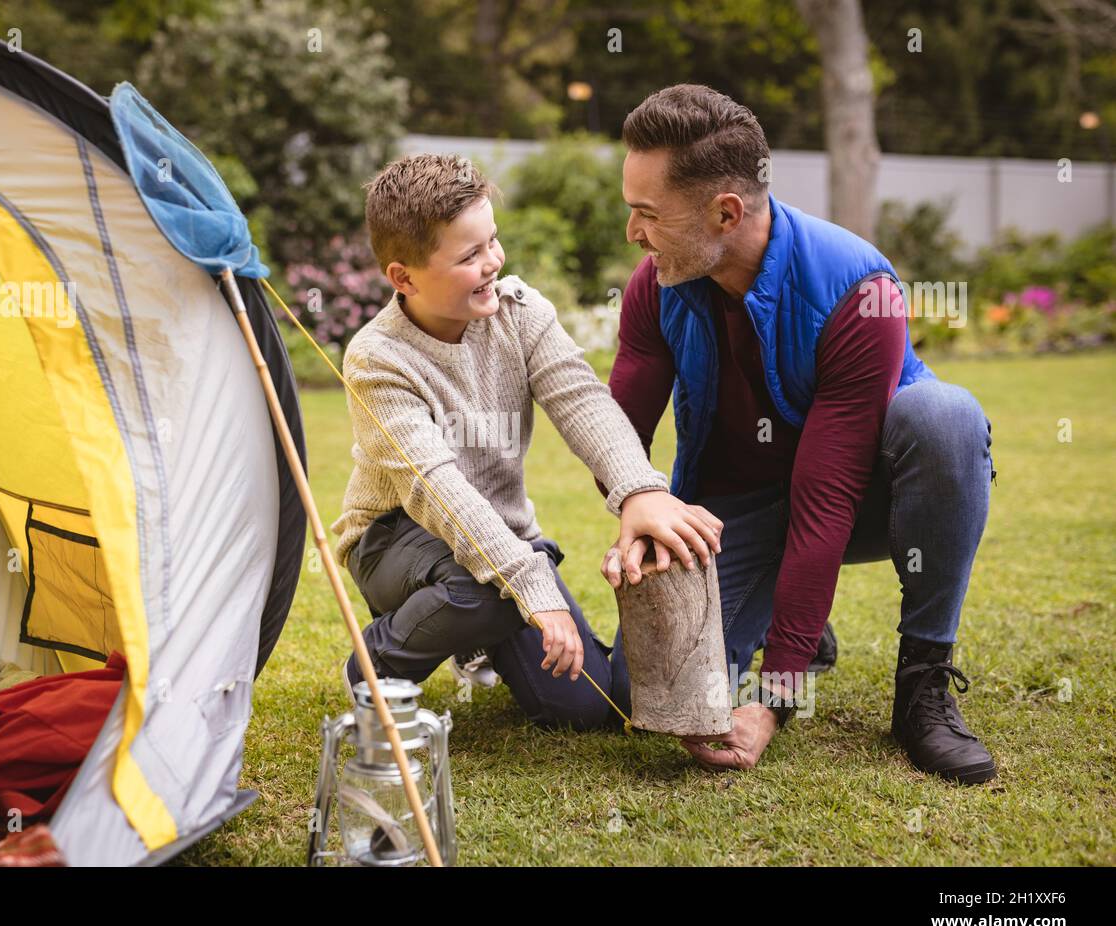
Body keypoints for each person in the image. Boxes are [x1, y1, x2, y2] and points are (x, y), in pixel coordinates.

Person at [602, 84, 997, 784]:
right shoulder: (656, 284)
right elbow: (618, 431)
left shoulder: (858, 289)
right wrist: (638, 509)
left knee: (945, 416)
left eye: (646, 214)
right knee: (643, 694)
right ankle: (809, 638)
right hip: (739, 509)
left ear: (725, 212)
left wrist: (774, 698)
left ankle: (923, 687)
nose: (632, 232)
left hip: (867, 497)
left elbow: (826, 502)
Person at [331, 153, 713, 729]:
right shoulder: (375, 359)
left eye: (493, 242)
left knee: (584, 710)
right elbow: (438, 490)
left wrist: (638, 490)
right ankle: (375, 664)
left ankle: (475, 639)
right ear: (403, 277)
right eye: (468, 255)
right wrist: (532, 583)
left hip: (503, 538)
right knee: (481, 588)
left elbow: (582, 400)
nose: (492, 263)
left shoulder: (522, 312)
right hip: (395, 540)